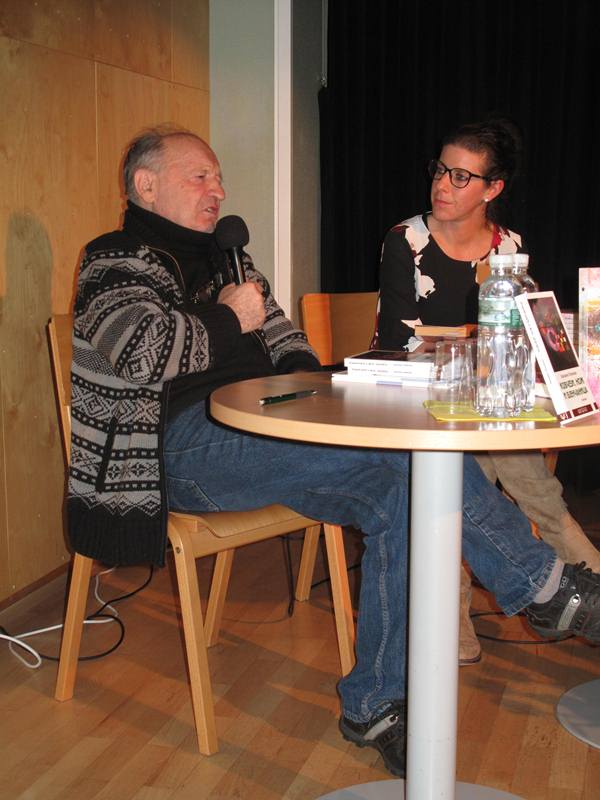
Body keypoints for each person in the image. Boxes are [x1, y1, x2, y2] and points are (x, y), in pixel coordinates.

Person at [67, 125, 600, 779]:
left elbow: (285, 340)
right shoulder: (114, 260)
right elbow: (141, 353)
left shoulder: (230, 261)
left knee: (404, 481)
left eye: (219, 177)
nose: (219, 190)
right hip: (174, 449)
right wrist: (231, 319)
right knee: (404, 463)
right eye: (200, 176)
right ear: (146, 185)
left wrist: (316, 393)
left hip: (263, 430)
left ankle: (375, 705)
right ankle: (544, 588)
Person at [373, 117, 600, 665]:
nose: (442, 185)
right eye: (440, 170)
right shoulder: (406, 240)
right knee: (489, 472)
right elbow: (400, 340)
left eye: (461, 176)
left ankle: (471, 620)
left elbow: (521, 336)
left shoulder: (509, 248)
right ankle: (573, 593)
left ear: (492, 189)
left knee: (517, 480)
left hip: (485, 402)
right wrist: (479, 346)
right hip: (419, 403)